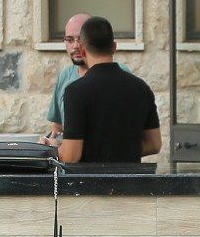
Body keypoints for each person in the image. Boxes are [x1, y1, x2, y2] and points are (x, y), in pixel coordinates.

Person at [57, 16, 160, 166]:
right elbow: (154, 144)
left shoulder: (75, 92)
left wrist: (52, 149)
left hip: (90, 179)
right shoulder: (141, 88)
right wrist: (119, 150)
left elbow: (71, 156)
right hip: (132, 179)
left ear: (83, 51)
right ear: (114, 47)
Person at [43, 12, 91, 145]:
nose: (76, 46)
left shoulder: (118, 74)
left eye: (81, 39)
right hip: (70, 156)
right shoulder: (65, 76)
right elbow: (58, 127)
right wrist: (51, 142)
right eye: (69, 40)